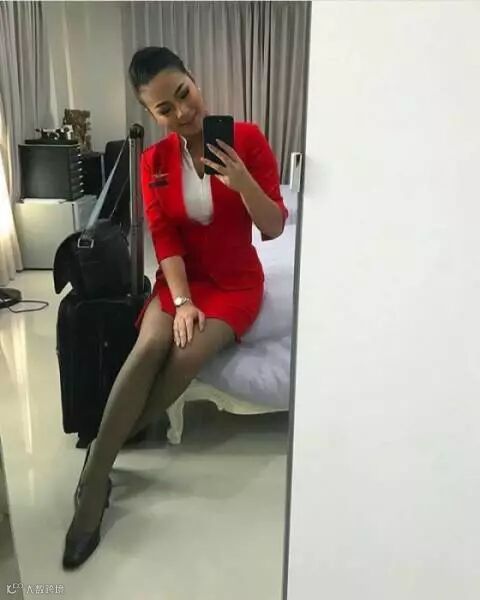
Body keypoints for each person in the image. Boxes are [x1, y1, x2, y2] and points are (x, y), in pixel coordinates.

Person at [62, 46, 288, 570]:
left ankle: (99, 457)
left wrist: (242, 183)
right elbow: (164, 238)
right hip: (181, 279)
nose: (183, 112)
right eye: (165, 108)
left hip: (234, 283)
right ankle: (95, 485)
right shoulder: (153, 162)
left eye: (185, 94)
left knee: (186, 357)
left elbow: (274, 226)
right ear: (151, 114)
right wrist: (182, 301)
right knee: (150, 348)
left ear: (193, 80)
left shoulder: (247, 139)